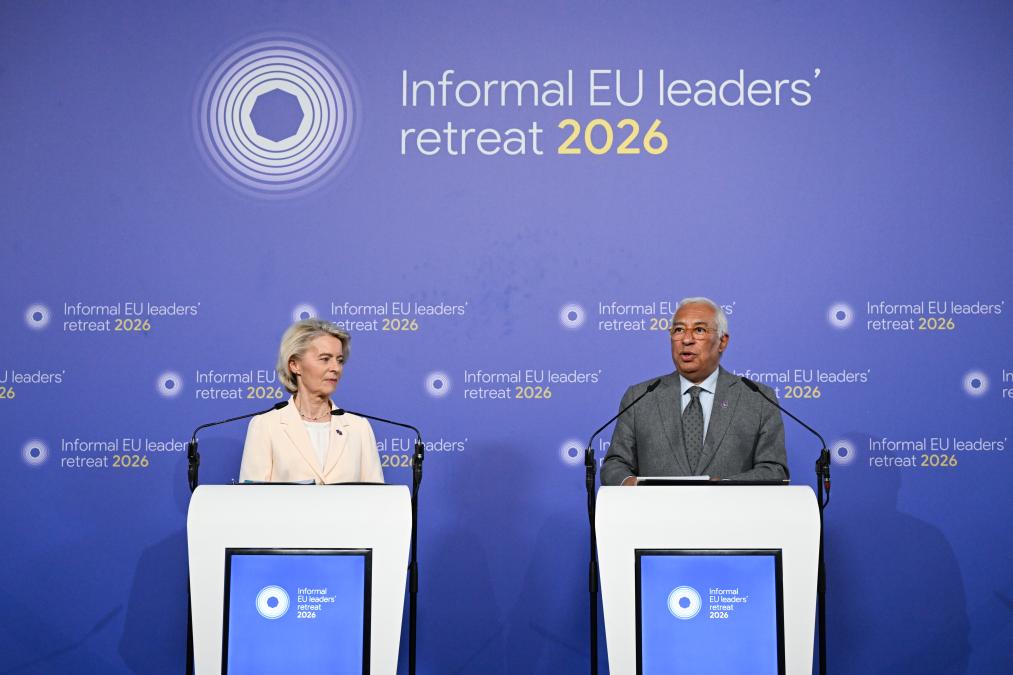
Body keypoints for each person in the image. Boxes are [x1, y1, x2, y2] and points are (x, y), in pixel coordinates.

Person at [600, 297, 788, 485]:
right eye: (679, 330)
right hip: (656, 505)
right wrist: (629, 483)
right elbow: (615, 464)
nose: (686, 340)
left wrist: (724, 486)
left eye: (699, 330)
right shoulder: (640, 397)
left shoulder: (758, 399)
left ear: (722, 341)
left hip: (729, 504)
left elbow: (774, 471)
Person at [239, 318, 384, 484]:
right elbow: (251, 497)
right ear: (295, 365)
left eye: (339, 360)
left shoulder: (359, 428)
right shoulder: (266, 426)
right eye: (325, 359)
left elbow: (376, 497)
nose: (336, 368)